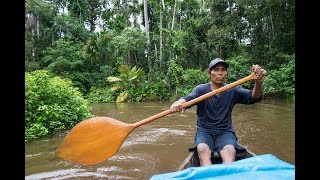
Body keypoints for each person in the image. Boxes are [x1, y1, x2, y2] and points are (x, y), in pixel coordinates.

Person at [170, 58, 267, 166]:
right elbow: (188, 98)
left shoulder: (233, 89)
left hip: (225, 131)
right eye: (216, 69)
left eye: (223, 70)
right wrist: (179, 102)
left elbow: (254, 97)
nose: (220, 73)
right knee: (202, 149)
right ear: (209, 73)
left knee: (230, 151)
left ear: (226, 73)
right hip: (205, 131)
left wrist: (258, 83)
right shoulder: (201, 89)